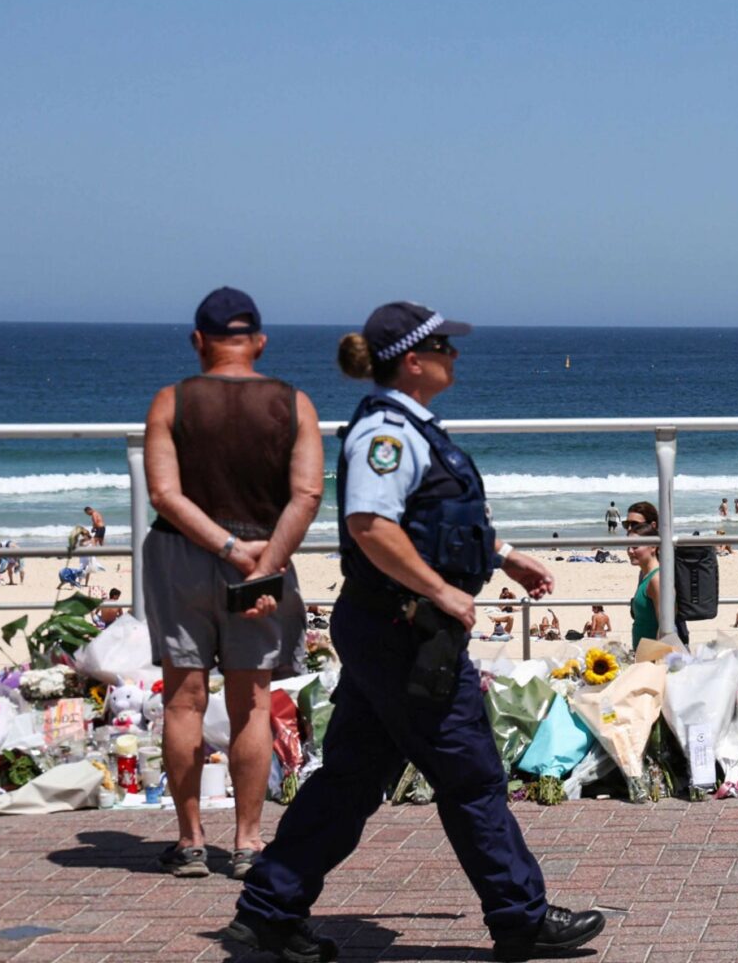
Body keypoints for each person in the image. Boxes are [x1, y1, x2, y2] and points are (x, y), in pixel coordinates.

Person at [231, 301, 603, 962]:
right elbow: (372, 526)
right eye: (444, 348)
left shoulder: (412, 429)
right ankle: (520, 918)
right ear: (413, 362)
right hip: (404, 633)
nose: (455, 357)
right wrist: (440, 591)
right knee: (471, 776)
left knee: (351, 777)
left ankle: (270, 906)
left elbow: (434, 522)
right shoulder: (389, 435)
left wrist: (503, 556)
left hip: (391, 629)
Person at [142, 288, 322, 882]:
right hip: (265, 558)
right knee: (251, 702)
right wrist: (262, 561)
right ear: (260, 342)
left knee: (183, 700)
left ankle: (191, 841)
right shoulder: (294, 403)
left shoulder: (171, 401)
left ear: (199, 340)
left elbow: (164, 494)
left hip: (181, 554)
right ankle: (247, 842)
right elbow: (307, 494)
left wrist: (225, 547)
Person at [626, 522, 665, 645]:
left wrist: (656, 655)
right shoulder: (645, 576)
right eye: (628, 546)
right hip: (643, 653)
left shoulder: (656, 579)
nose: (630, 551)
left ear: (653, 547)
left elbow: (665, 628)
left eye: (635, 546)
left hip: (653, 654)